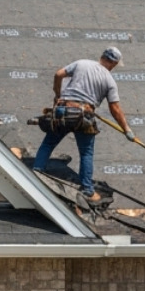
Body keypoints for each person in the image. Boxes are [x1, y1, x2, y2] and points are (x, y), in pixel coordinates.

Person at [31, 47, 133, 202]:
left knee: (48, 144)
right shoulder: (109, 81)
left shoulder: (82, 63)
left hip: (63, 110)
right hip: (84, 115)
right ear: (114, 64)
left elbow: (58, 74)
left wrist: (58, 95)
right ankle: (87, 190)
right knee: (86, 153)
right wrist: (127, 129)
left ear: (102, 56)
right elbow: (115, 108)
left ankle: (36, 173)